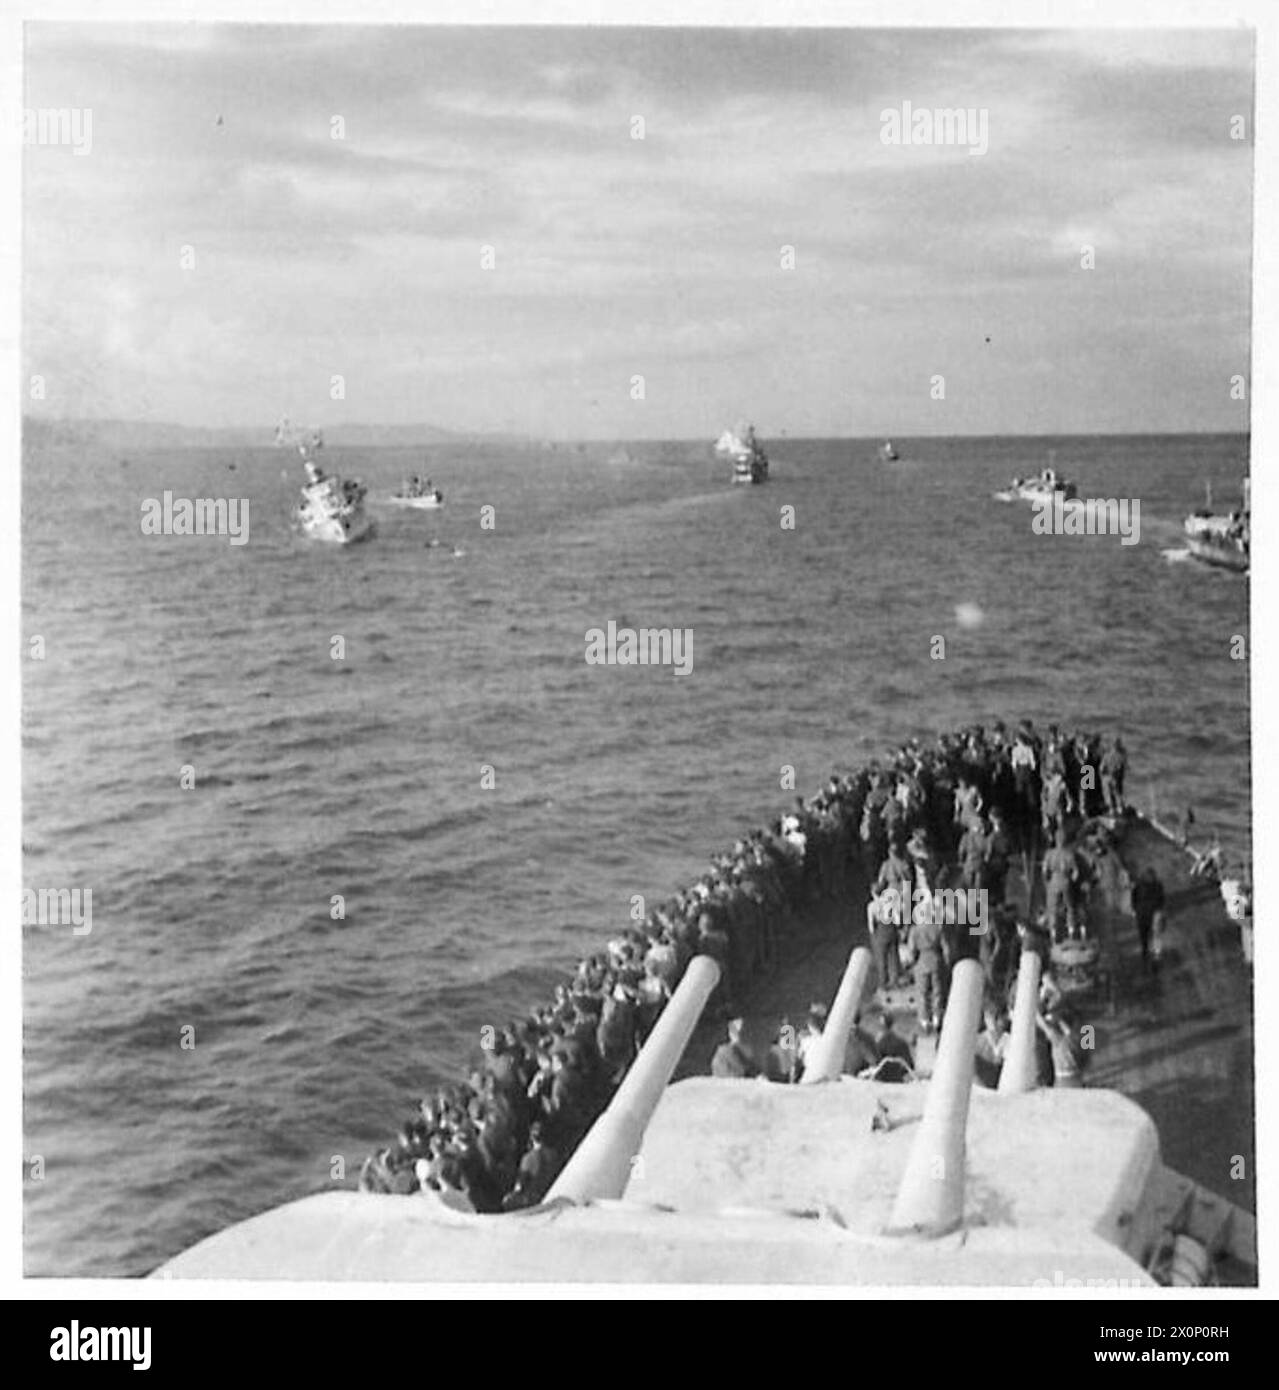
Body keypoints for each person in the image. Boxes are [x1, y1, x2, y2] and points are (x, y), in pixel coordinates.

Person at [1130, 866, 1166, 970]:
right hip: (1151, 913)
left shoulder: (1139, 885)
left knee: (1147, 934)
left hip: (1144, 914)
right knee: (1154, 935)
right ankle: (1154, 954)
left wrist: (1134, 909)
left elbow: (1134, 898)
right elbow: (1162, 899)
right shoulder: (1157, 885)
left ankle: (1148, 952)